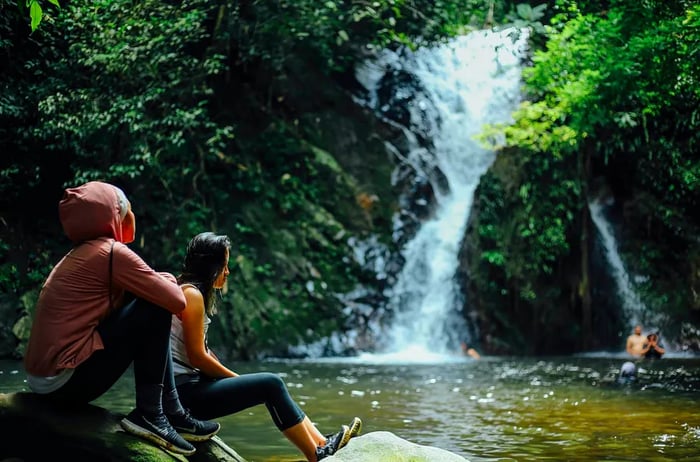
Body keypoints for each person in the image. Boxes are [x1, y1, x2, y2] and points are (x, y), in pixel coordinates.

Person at [23, 181, 220, 456]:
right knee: (155, 304)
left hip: (45, 380)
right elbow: (176, 300)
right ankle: (152, 413)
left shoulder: (84, 253)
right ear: (114, 215)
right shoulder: (111, 253)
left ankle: (170, 411)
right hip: (64, 381)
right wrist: (166, 279)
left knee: (149, 299)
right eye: (126, 209)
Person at [171, 232, 362, 461]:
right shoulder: (191, 295)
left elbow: (199, 352)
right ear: (211, 265)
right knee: (270, 383)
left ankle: (321, 443)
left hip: (189, 388)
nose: (228, 271)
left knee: (270, 384)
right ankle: (317, 453)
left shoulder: (189, 291)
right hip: (183, 395)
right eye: (225, 265)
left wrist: (236, 381)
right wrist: (235, 378)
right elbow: (197, 358)